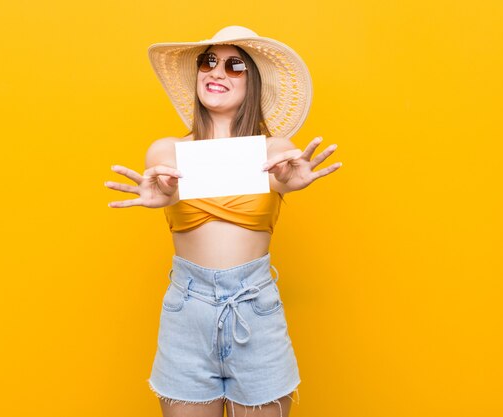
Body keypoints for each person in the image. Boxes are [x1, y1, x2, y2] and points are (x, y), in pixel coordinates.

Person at [105, 26, 342, 417]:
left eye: (235, 66)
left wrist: (288, 183)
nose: (216, 72)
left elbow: (277, 178)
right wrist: (166, 197)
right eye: (208, 62)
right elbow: (172, 193)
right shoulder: (165, 151)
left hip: (254, 306)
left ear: (254, 83)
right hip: (187, 309)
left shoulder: (276, 151)